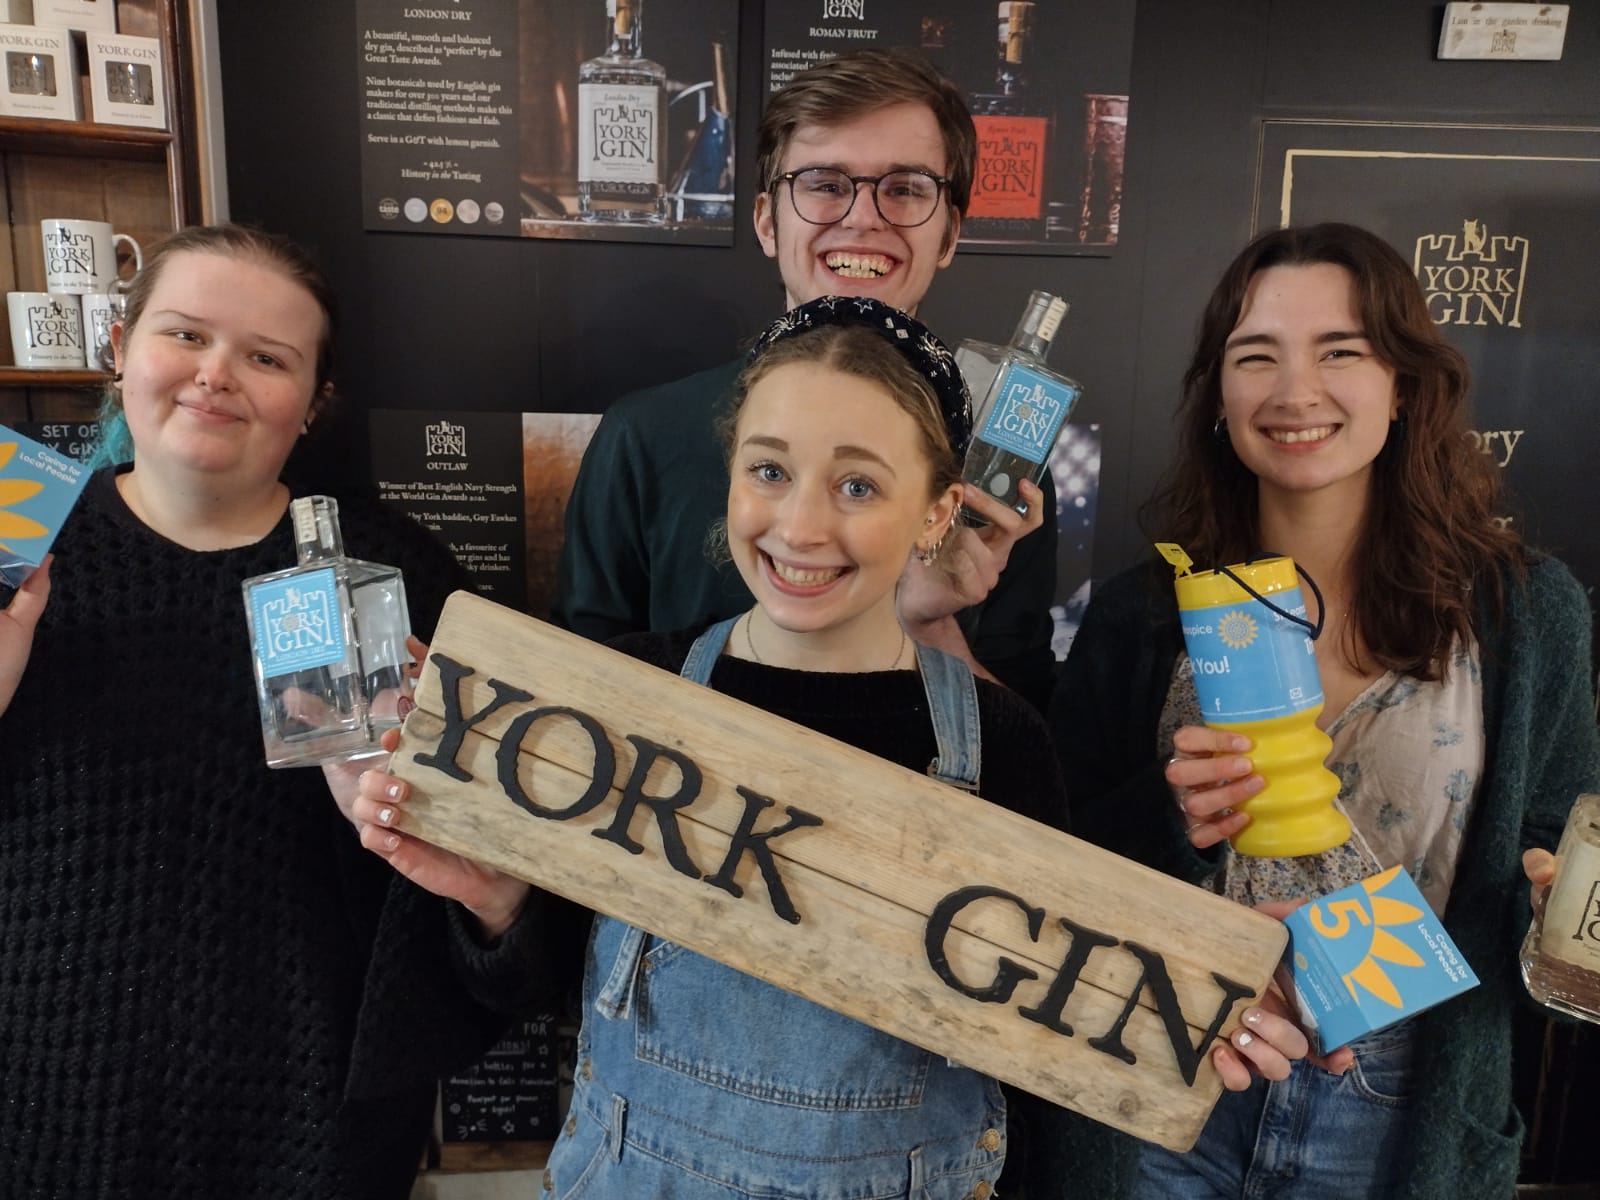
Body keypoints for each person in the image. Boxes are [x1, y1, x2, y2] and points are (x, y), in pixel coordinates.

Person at [353, 296, 1311, 1199]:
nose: (801, 526)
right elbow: (550, 981)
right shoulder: (628, 686)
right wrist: (496, 901)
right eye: (769, 471)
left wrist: (1198, 1014)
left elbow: (1051, 1038)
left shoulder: (1002, 741)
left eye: (858, 484)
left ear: (936, 511)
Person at [0, 224, 572, 1198]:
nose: (215, 374)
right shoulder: (15, 531)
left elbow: (512, 929)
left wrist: (459, 861)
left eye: (267, 358)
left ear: (313, 403)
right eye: (185, 334)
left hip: (309, 1136)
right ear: (120, 348)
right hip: (33, 1120)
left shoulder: (399, 575)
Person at [1052, 222, 1600, 1198]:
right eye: (1256, 355)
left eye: (1340, 352)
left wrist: (1547, 900)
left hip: (1399, 1101)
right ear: (1219, 396)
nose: (1295, 390)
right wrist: (1173, 817)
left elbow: (1553, 845)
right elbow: (1059, 857)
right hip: (1171, 1064)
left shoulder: (1521, 609)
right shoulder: (1147, 610)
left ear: (1404, 384)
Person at [553, 48, 1059, 709]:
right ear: (768, 221)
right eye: (824, 184)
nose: (863, 217)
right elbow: (577, 693)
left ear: (948, 234)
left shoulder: (1000, 472)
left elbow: (1027, 748)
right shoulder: (643, 435)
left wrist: (928, 622)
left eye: (905, 189)